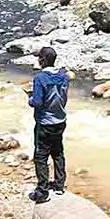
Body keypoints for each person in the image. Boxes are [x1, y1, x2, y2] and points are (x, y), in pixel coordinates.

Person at [27, 47, 69, 204]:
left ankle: (42, 191)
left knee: (40, 156)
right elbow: (63, 98)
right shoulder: (64, 76)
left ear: (43, 60)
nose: (38, 60)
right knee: (58, 152)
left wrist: (30, 99)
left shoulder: (40, 78)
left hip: (45, 123)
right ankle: (59, 185)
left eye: (39, 58)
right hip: (60, 120)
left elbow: (37, 102)